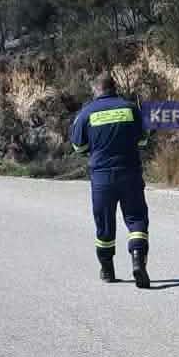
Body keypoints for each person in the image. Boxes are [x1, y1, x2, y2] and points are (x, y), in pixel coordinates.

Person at [70, 73, 151, 288]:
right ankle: (137, 260)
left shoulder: (86, 113)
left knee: (104, 224)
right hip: (130, 173)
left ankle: (107, 269)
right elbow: (144, 139)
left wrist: (97, 148)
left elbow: (78, 146)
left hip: (102, 177)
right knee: (136, 219)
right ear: (114, 88)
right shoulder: (131, 108)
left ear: (96, 90)